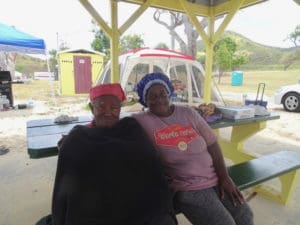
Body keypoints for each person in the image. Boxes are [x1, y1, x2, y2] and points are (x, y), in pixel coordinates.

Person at [132, 73, 254, 225]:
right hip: (187, 188)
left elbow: (212, 144)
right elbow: (114, 121)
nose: (159, 100)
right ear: (145, 100)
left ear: (169, 93)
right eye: (152, 96)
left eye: (162, 94)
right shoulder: (142, 120)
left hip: (215, 178)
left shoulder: (188, 113)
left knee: (246, 217)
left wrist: (224, 177)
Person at [50, 83, 177, 225]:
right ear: (92, 108)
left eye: (114, 107)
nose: (108, 112)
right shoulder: (78, 136)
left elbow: (150, 167)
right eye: (101, 106)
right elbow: (68, 181)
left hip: (137, 202)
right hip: (93, 207)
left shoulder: (131, 128)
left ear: (120, 109)